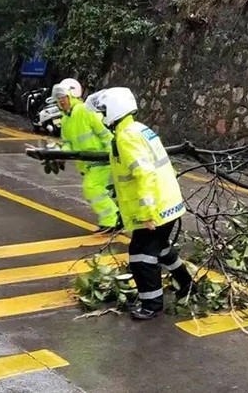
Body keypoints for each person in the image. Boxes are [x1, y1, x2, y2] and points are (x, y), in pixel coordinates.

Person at [85, 87, 195, 320]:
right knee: (159, 247)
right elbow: (135, 171)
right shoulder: (138, 129)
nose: (102, 116)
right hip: (167, 203)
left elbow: (145, 174)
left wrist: (146, 213)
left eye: (104, 110)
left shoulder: (126, 137)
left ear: (114, 109)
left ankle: (152, 305)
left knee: (141, 257)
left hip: (155, 209)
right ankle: (186, 283)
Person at [45, 78, 121, 234]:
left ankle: (112, 220)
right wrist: (60, 153)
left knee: (92, 188)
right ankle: (113, 218)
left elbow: (105, 133)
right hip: (88, 163)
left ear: (71, 95)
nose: (61, 101)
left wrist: (112, 154)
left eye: (63, 97)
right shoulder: (66, 119)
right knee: (95, 190)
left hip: (100, 159)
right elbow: (68, 143)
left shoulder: (85, 111)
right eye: (58, 99)